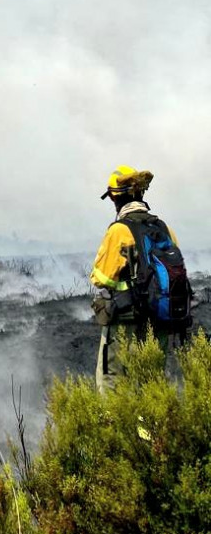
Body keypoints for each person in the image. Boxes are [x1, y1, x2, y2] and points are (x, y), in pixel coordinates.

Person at [90, 165, 190, 392]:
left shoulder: (119, 230)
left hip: (126, 319)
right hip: (162, 316)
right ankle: (149, 426)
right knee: (151, 381)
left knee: (112, 381)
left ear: (116, 197)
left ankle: (115, 425)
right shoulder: (164, 228)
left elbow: (101, 278)